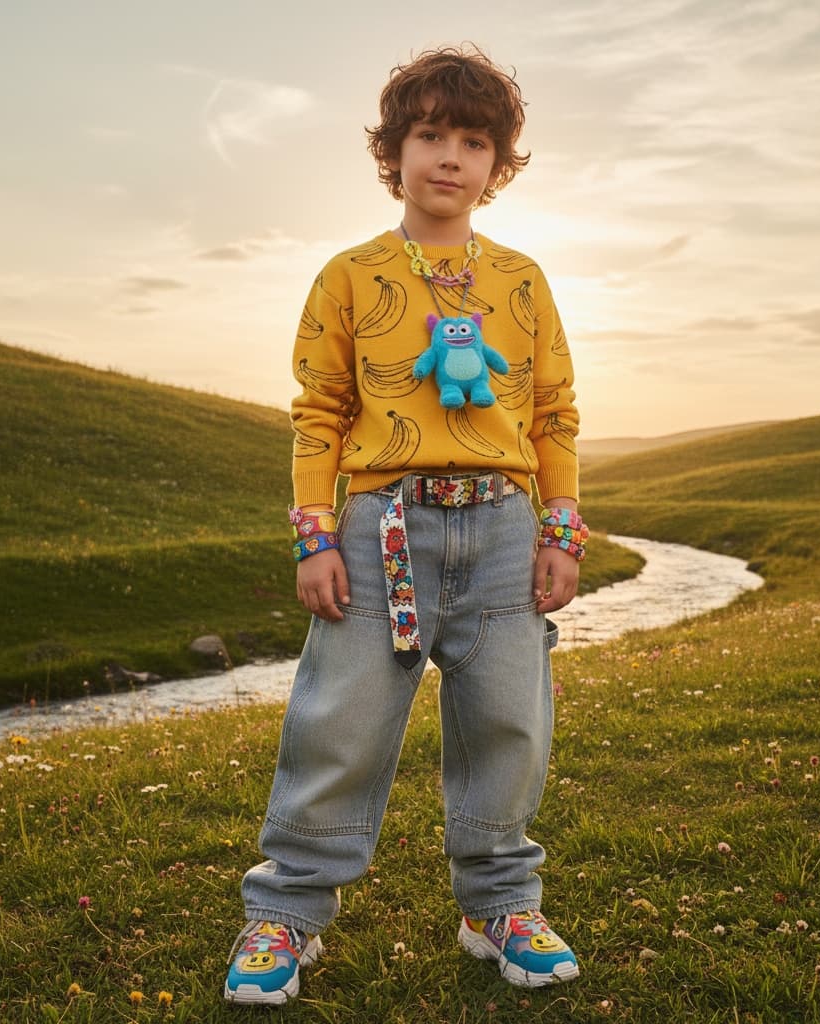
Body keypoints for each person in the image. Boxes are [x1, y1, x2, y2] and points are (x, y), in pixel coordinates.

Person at [225, 43, 589, 1006]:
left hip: (505, 527)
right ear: (395, 150)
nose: (450, 156)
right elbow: (319, 411)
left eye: (474, 141)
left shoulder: (521, 279)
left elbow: (554, 413)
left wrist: (561, 531)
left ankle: (500, 904)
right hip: (377, 527)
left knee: (510, 718)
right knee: (337, 719)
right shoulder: (351, 276)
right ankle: (286, 914)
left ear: (496, 166)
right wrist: (313, 535)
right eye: (430, 134)